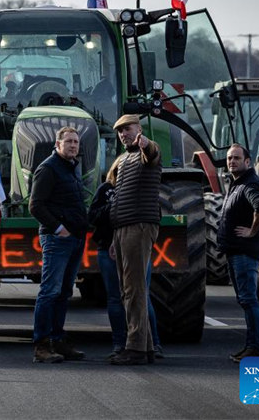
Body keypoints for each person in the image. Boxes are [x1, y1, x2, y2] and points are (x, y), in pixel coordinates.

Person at [89, 159, 164, 360]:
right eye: (120, 170)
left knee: (141, 294)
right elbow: (93, 216)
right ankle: (119, 343)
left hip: (135, 245)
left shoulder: (141, 191)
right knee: (115, 297)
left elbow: (154, 213)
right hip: (108, 248)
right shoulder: (105, 190)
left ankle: (153, 342)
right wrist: (114, 207)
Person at [29, 126, 88, 363]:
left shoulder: (72, 168)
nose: (74, 145)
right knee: (49, 292)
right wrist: (58, 229)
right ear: (58, 144)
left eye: (76, 142)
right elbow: (36, 205)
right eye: (69, 142)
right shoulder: (48, 168)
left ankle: (58, 341)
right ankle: (41, 346)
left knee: (64, 292)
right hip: (57, 240)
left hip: (74, 239)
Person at [108, 114, 162, 365]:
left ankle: (136, 348)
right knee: (129, 289)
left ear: (139, 129)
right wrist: (114, 237)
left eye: (127, 129)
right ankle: (146, 347)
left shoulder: (147, 151)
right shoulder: (125, 159)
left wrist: (145, 143)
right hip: (124, 228)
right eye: (119, 131)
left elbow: (151, 152)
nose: (123, 134)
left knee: (134, 290)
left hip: (138, 226)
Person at [217, 143, 259, 362]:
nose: (232, 162)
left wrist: (251, 231)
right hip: (235, 252)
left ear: (248, 162)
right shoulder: (237, 184)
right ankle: (251, 346)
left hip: (244, 253)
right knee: (245, 300)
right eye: (229, 158)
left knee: (249, 300)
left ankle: (255, 347)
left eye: (236, 158)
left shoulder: (250, 184)